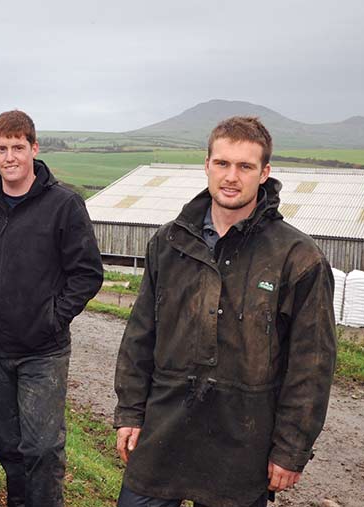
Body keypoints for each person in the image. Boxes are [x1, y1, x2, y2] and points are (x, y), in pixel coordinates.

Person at [113, 116, 336, 507]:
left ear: (264, 173)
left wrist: (291, 448)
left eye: (245, 166)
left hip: (241, 440)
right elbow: (139, 335)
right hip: (164, 428)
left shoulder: (297, 258)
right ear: (207, 165)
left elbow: (311, 365)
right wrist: (130, 411)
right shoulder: (169, 242)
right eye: (222, 163)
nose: (231, 176)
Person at [0, 110, 103, 506]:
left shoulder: (64, 205)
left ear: (34, 149)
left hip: (42, 351)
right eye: (1, 148)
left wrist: (52, 318)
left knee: (42, 449)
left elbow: (87, 274)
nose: (9, 157)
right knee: (9, 448)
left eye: (18, 147)